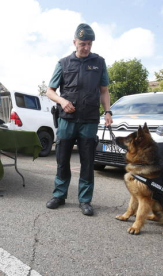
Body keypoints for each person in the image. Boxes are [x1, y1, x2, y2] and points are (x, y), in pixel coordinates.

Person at [45, 23, 113, 216]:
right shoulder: (63, 63)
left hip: (90, 120)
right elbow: (50, 91)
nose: (86, 47)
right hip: (67, 120)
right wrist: (62, 100)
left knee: (87, 162)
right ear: (74, 42)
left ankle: (85, 200)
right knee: (62, 160)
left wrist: (108, 112)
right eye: (83, 43)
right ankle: (59, 195)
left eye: (89, 44)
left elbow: (104, 91)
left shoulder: (99, 62)